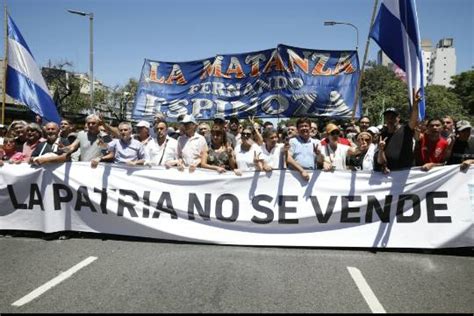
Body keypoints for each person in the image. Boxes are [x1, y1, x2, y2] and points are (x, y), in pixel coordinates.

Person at [374, 104, 419, 173]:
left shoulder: (406, 129)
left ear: (398, 118)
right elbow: (381, 157)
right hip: (390, 173)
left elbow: (414, 119)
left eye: (392, 117)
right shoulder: (382, 135)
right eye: (387, 117)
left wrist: (415, 105)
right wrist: (384, 166)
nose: (390, 120)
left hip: (406, 171)